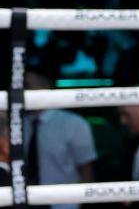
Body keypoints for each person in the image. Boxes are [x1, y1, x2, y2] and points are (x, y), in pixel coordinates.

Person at [23, 71, 97, 209]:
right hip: (26, 203)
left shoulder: (73, 123)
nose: (23, 90)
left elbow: (87, 171)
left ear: (45, 86)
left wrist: (81, 203)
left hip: (65, 204)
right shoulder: (18, 125)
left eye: (27, 85)